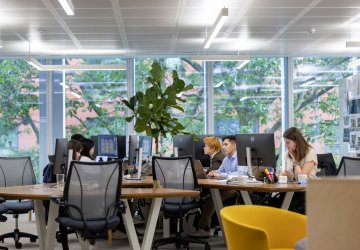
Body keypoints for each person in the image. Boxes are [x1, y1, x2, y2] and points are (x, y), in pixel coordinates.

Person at [190, 135, 239, 238]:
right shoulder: (226, 159)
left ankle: (204, 228)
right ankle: (204, 227)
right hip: (226, 186)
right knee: (212, 197)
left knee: (212, 198)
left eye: (226, 144)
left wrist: (220, 175)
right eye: (223, 144)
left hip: (236, 188)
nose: (223, 147)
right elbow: (220, 171)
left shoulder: (239, 158)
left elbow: (239, 175)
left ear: (234, 145)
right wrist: (214, 172)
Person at [277, 127, 318, 214]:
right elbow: (287, 173)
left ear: (296, 141)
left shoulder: (310, 153)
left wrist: (295, 161)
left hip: (305, 193)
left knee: (283, 207)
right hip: (291, 191)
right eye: (285, 143)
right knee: (272, 204)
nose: (286, 145)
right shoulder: (288, 154)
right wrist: (282, 175)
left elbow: (302, 179)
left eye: (288, 142)